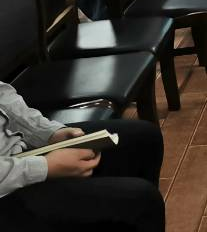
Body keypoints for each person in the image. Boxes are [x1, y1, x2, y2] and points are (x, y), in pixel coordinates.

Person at [0, 81, 165, 232]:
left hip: (17, 153)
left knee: (143, 139)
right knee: (141, 201)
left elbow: (2, 95)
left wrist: (49, 133)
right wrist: (45, 167)